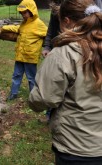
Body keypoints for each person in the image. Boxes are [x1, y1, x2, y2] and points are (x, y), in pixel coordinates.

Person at [28, 0, 102, 164]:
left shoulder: (65, 52)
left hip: (76, 148)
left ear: (66, 21)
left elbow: (43, 98)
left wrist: (34, 97)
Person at [2, 0, 47, 101]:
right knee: (16, 75)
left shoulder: (39, 24)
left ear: (32, 11)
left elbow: (48, 34)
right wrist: (5, 27)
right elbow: (18, 29)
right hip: (20, 55)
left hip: (30, 57)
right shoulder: (24, 23)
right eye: (21, 13)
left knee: (31, 78)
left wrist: (48, 46)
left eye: (25, 12)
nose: (23, 15)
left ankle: (33, 97)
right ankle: (13, 93)